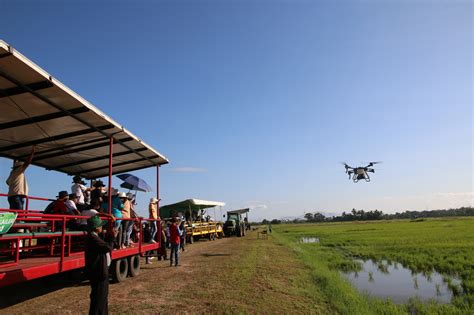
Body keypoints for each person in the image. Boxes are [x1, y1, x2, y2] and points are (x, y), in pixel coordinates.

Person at [85, 215, 116, 315]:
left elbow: (105, 240)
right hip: (98, 272)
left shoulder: (94, 236)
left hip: (99, 271)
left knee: (101, 298)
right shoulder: (93, 238)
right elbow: (107, 247)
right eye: (101, 226)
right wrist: (113, 238)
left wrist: (112, 225)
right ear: (96, 227)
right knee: (99, 298)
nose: (102, 227)